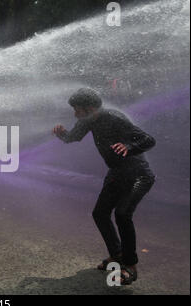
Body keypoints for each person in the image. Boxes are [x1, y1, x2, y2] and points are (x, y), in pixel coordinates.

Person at [52, 88, 156, 285]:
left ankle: (130, 267)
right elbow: (72, 137)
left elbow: (149, 140)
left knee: (123, 214)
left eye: (77, 110)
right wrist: (61, 133)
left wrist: (129, 147)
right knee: (100, 213)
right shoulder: (87, 120)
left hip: (138, 175)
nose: (75, 114)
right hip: (117, 174)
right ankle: (116, 255)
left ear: (90, 108)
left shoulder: (113, 117)